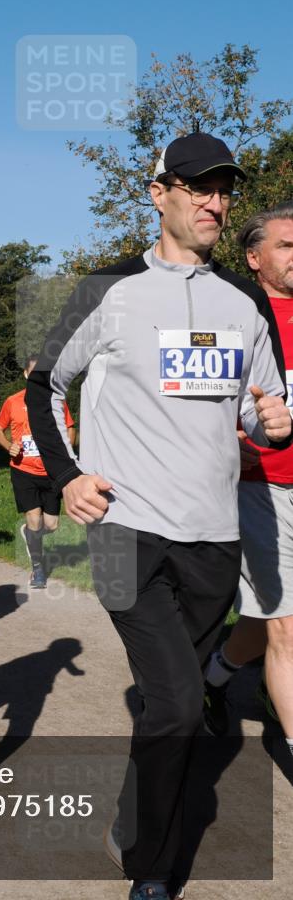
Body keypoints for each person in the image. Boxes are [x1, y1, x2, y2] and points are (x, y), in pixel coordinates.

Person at [26, 133, 290, 900]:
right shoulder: (108, 289)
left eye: (224, 190)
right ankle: (151, 871)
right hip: (122, 529)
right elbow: (46, 386)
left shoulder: (243, 304)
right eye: (199, 188)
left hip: (213, 536)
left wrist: (272, 422)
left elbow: (256, 408)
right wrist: (68, 477)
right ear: (159, 192)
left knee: (170, 707)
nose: (215, 203)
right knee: (176, 700)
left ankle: (129, 822)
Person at [203, 202, 293, 757]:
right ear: (254, 258)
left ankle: (215, 678)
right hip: (261, 486)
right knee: (287, 628)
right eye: (286, 245)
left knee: (264, 620)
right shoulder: (236, 318)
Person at [0, 355, 76, 587]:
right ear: (26, 375)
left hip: (50, 472)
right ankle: (37, 569)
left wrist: (66, 454)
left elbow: (70, 428)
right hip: (23, 470)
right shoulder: (13, 401)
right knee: (35, 520)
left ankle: (30, 533)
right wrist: (8, 445)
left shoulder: (57, 401)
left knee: (51, 525)